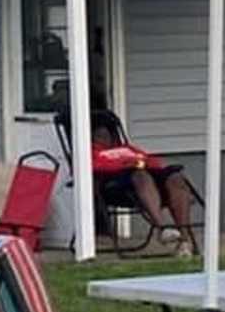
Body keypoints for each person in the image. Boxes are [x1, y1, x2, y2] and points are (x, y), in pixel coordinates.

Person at [85, 107, 203, 253]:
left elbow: (152, 162)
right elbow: (96, 167)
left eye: (107, 134)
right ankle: (162, 228)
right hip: (119, 182)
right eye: (100, 135)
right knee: (140, 175)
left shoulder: (128, 149)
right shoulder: (92, 152)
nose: (105, 138)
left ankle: (185, 240)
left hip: (147, 174)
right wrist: (127, 164)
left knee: (175, 178)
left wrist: (139, 163)